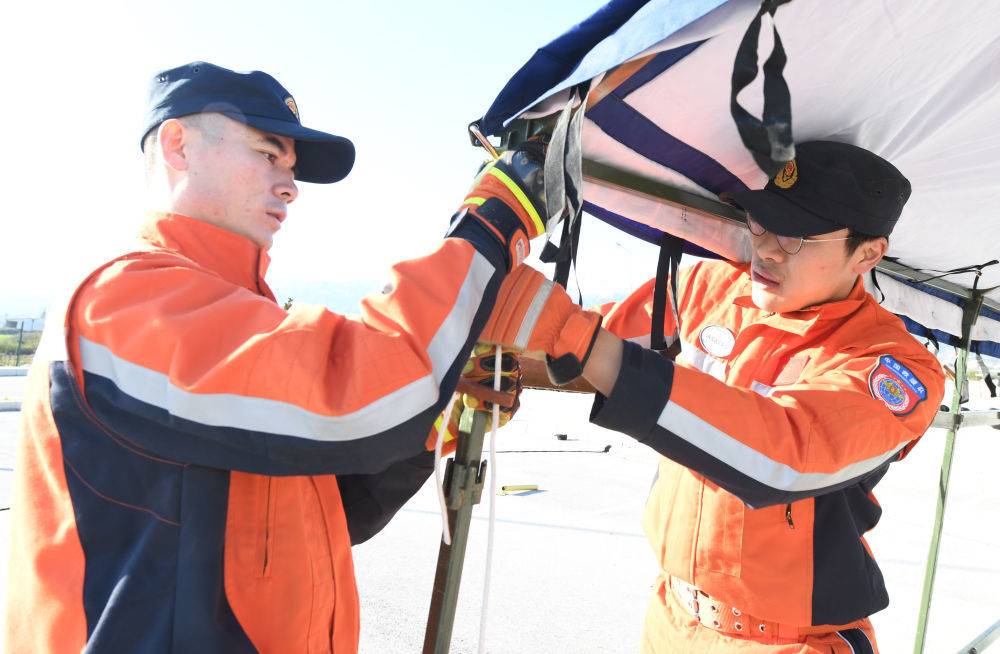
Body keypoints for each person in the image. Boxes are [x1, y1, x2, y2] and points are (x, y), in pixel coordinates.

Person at [5, 61, 541, 653]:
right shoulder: (126, 300)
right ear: (177, 144)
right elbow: (356, 400)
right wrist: (493, 221)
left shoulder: (236, 314)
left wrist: (439, 411)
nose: (290, 185)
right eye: (268, 153)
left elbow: (329, 511)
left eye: (291, 167)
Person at [480, 141, 945, 653]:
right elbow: (587, 345)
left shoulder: (895, 365)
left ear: (867, 253)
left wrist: (570, 336)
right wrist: (503, 363)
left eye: (795, 237)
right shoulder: (710, 285)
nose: (765, 248)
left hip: (791, 643)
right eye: (762, 221)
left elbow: (785, 456)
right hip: (671, 620)